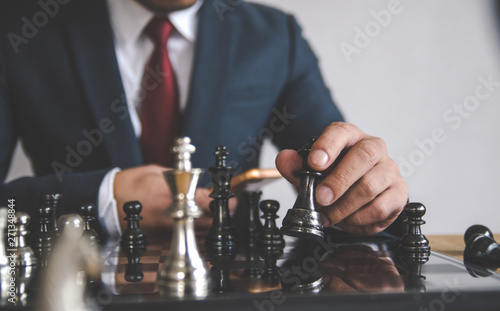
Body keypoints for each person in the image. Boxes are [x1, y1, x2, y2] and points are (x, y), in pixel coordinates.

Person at [0, 0, 408, 238]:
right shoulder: (17, 27)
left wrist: (365, 187)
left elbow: (337, 171)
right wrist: (103, 197)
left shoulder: (272, 37)